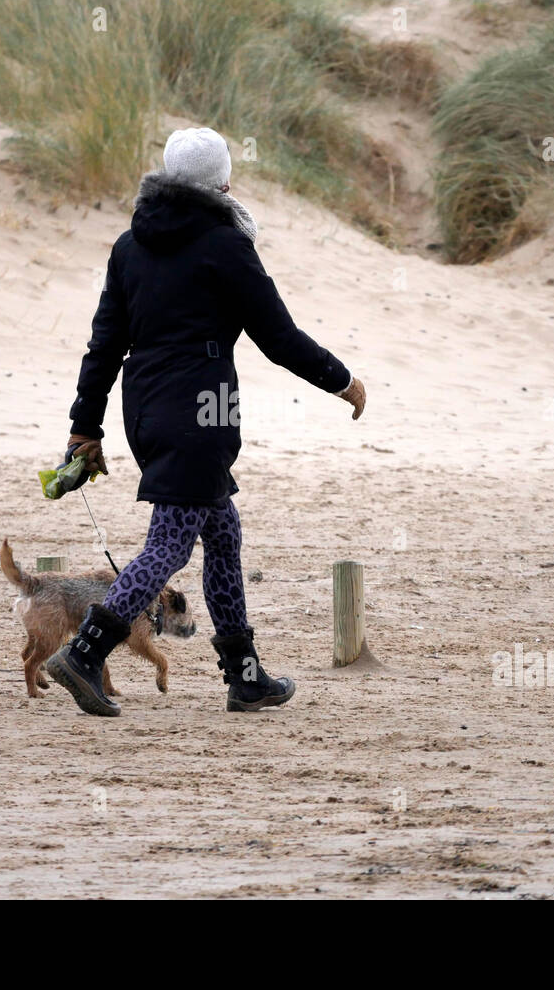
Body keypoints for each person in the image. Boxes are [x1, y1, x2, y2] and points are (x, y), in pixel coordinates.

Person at [45, 127, 366, 716]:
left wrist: (84, 427)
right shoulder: (225, 244)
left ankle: (244, 675)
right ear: (221, 181)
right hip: (202, 412)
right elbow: (278, 337)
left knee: (221, 533)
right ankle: (86, 653)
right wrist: (340, 379)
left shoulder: (128, 246)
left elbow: (104, 346)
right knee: (169, 544)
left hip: (145, 410)